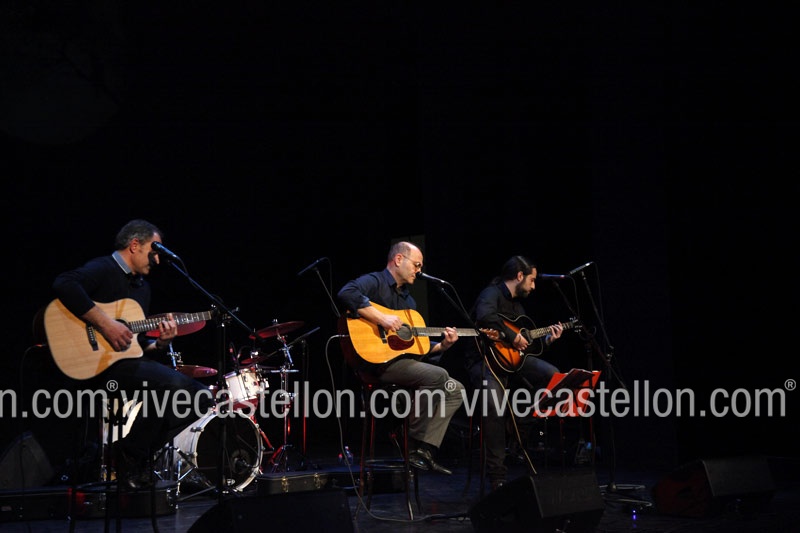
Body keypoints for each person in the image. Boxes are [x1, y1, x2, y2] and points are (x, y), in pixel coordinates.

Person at [50, 219, 214, 490]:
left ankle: (128, 455)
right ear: (135, 245)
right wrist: (105, 324)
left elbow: (135, 344)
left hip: (123, 365)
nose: (158, 260)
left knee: (200, 397)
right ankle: (129, 457)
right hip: (92, 367)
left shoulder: (142, 289)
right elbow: (64, 284)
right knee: (177, 386)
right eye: (154, 250)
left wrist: (160, 344)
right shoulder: (104, 268)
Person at [337, 241, 464, 475]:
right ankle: (410, 440)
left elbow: (415, 347)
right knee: (439, 375)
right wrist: (381, 319)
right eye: (416, 265)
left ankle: (424, 451)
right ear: (398, 260)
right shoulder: (375, 281)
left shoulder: (409, 302)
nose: (419, 270)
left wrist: (443, 346)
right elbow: (347, 292)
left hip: (401, 362)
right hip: (375, 364)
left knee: (456, 389)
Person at [464, 255, 564, 491]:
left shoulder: (518, 307)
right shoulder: (491, 294)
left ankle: (518, 425)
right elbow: (485, 317)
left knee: (554, 376)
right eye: (532, 280)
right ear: (520, 276)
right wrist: (512, 336)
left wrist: (547, 340)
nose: (533, 286)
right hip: (484, 362)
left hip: (511, 361)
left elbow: (524, 347)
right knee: (494, 406)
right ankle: (497, 475)